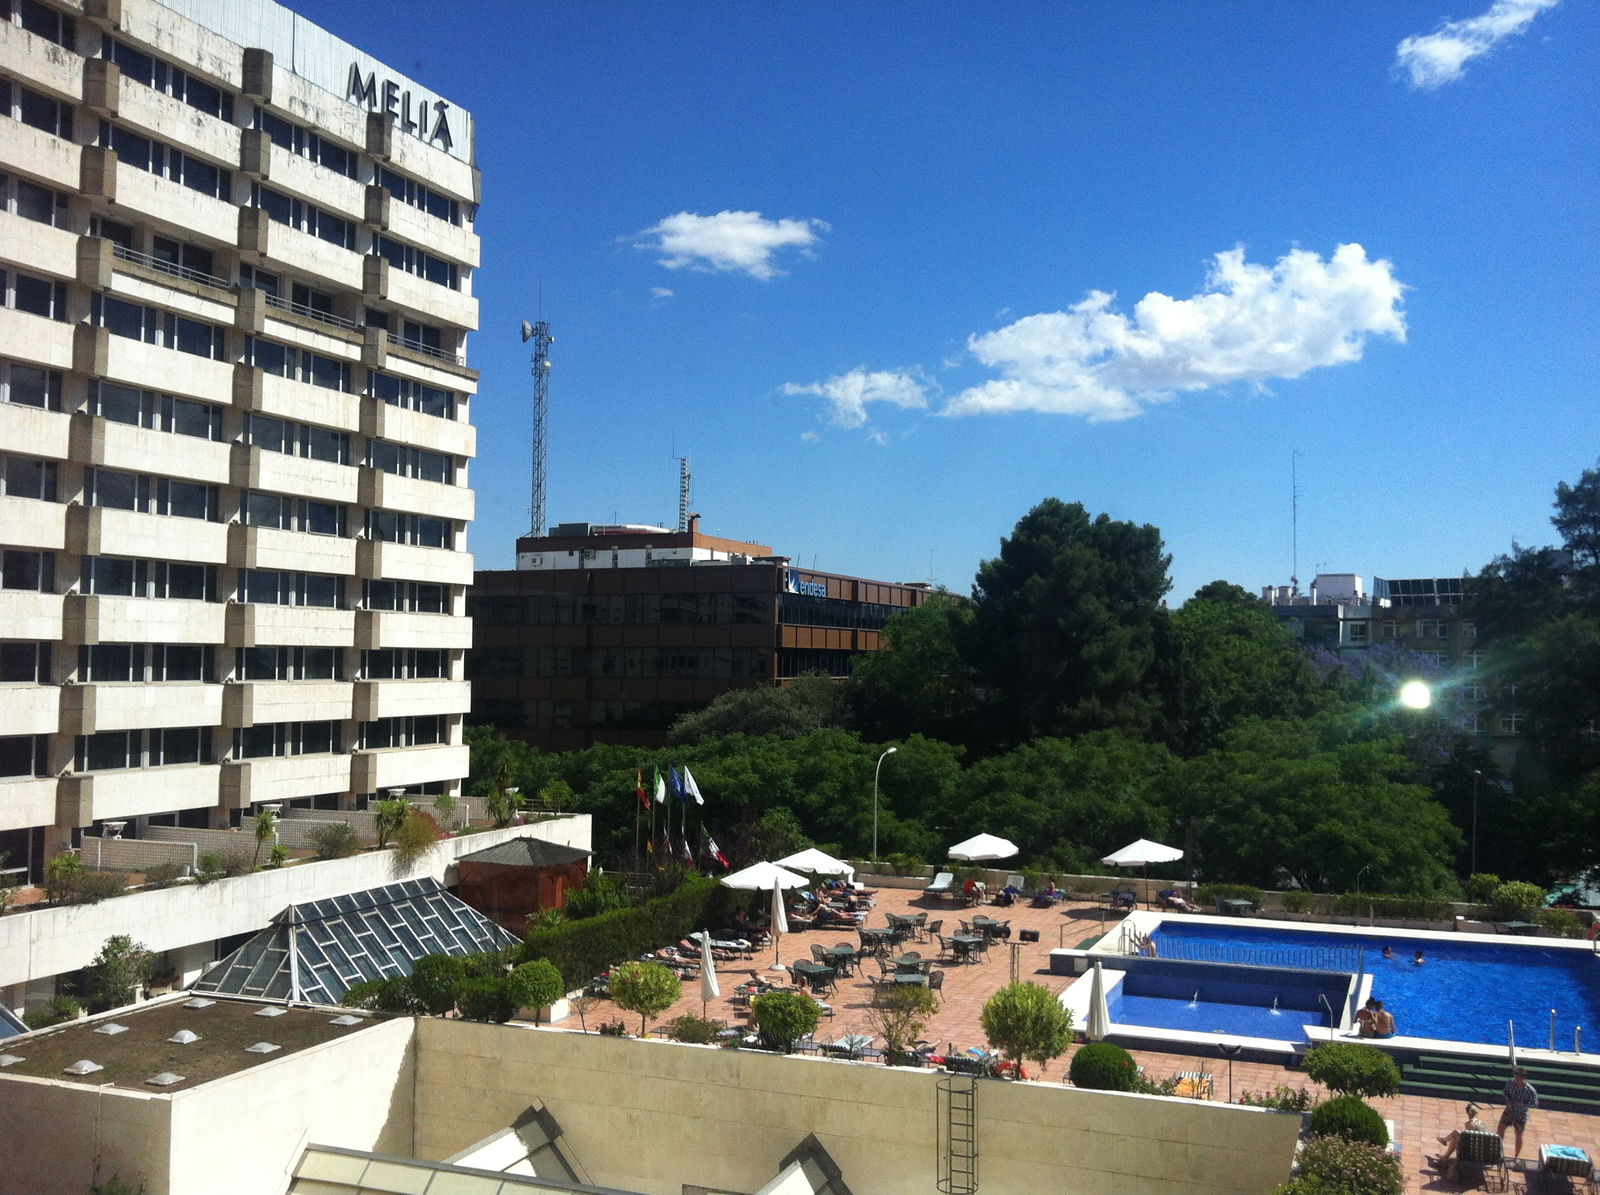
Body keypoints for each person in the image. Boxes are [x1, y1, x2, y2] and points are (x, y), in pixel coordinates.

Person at [1435, 1103, 1488, 1181]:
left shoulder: (1468, 1124)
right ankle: (1445, 1155)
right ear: (1476, 1112)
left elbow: (1467, 1141)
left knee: (1454, 1136)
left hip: (1471, 1152)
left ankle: (1444, 1142)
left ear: (1467, 1112)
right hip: (1481, 1152)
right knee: (1455, 1136)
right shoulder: (1481, 1123)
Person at [1497, 1066, 1538, 1157]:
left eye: (1518, 1078)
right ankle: (1497, 1151)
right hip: (1509, 1111)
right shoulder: (1510, 1082)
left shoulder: (1530, 1090)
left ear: (1523, 1078)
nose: (1515, 1080)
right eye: (1515, 1077)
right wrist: (1508, 1101)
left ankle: (1516, 1156)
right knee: (1500, 1129)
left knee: (1518, 1134)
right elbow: (1505, 1092)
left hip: (1520, 1115)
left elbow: (1535, 1104)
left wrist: (1521, 1104)